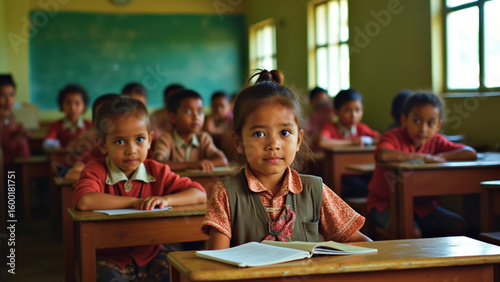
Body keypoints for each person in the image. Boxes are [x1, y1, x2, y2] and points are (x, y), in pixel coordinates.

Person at [201, 69, 370, 250]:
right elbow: (217, 261)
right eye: (259, 133)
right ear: (239, 142)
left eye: (285, 132)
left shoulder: (315, 190)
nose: (274, 144)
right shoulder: (227, 193)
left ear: (298, 140)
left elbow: (361, 244)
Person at [72, 96, 207, 281]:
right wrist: (136, 202)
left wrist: (166, 200)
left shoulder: (157, 170)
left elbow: (199, 193)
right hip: (110, 257)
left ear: (150, 140)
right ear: (102, 143)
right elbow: (85, 200)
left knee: (179, 273)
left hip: (152, 253)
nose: (131, 149)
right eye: (120, 141)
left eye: (139, 139)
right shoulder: (96, 168)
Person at [366, 92, 477, 238]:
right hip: (387, 205)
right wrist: (423, 157)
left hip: (423, 207)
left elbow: (470, 152)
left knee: (458, 226)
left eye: (430, 123)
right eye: (417, 121)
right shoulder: (393, 136)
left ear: (438, 125)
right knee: (413, 233)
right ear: (404, 120)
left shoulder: (436, 141)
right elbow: (384, 154)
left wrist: (440, 157)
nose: (423, 129)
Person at [153, 89, 228, 171]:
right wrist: (191, 165)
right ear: (173, 118)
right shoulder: (166, 138)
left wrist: (201, 164)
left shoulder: (203, 138)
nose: (196, 117)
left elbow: (222, 160)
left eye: (200, 111)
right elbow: (157, 163)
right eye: (188, 111)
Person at [64, 93, 120, 181]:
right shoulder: (96, 152)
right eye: (102, 119)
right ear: (94, 125)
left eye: (115, 117)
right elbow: (71, 175)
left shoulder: (140, 149)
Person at [43, 84, 92, 151]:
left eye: (77, 103)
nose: (72, 108)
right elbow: (47, 144)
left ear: (84, 106)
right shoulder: (56, 125)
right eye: (68, 103)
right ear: (61, 105)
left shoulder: (90, 125)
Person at [0, 74, 30, 170]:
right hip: (6, 166)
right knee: (10, 184)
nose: (9, 99)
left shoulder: (11, 117)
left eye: (11, 95)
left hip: (18, 164)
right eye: (2, 95)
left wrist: (19, 132)